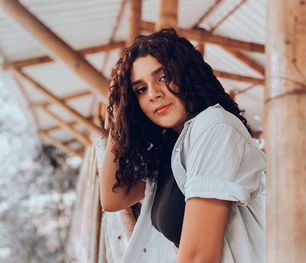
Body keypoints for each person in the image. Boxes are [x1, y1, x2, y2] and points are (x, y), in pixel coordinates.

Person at [100, 28, 266, 263]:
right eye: (140, 89)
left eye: (163, 77)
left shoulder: (214, 128)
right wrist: (119, 119)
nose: (154, 94)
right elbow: (114, 198)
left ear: (187, 74)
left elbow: (199, 256)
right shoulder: (172, 149)